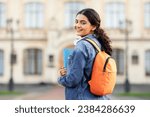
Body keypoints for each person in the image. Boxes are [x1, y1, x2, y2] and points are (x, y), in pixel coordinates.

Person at [58, 8, 112, 100]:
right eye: (76, 22)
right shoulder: (97, 43)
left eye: (83, 23)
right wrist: (68, 73)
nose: (78, 25)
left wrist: (61, 79)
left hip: (82, 97)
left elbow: (73, 80)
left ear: (93, 26)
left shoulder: (82, 46)